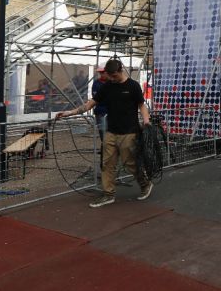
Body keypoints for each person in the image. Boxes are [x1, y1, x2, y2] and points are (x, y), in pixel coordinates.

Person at [56, 59, 153, 207]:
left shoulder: (133, 85)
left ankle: (145, 184)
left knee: (130, 163)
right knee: (107, 164)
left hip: (129, 132)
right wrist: (69, 113)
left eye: (114, 76)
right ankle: (108, 194)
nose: (111, 78)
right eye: (110, 76)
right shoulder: (107, 86)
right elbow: (91, 103)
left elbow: (141, 105)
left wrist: (146, 120)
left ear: (120, 71)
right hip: (111, 132)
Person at [91, 66, 108, 142]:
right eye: (101, 73)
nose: (102, 74)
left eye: (103, 72)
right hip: (100, 111)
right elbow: (95, 97)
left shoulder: (112, 82)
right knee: (102, 132)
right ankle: (103, 145)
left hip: (111, 111)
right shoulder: (96, 83)